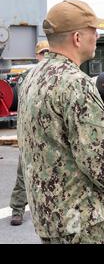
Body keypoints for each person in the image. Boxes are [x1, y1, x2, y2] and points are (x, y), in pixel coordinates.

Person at [17, 0, 104, 244]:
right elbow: (99, 159)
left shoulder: (32, 78)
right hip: (82, 220)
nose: (97, 36)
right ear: (77, 38)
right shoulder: (75, 84)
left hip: (48, 219)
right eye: (93, 31)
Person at [9, 40, 49, 226]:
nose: (45, 56)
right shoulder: (27, 76)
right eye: (43, 53)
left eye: (48, 52)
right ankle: (17, 209)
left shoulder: (55, 75)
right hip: (31, 133)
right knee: (23, 173)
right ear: (36, 56)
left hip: (50, 134)